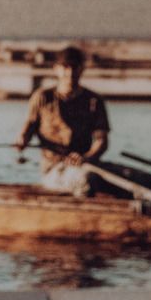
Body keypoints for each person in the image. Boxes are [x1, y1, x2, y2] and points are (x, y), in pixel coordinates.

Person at [17, 45, 111, 195]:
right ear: (56, 69)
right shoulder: (42, 97)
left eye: (75, 67)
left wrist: (86, 158)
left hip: (88, 165)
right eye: (65, 67)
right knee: (85, 179)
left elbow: (101, 140)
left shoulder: (94, 101)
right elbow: (29, 126)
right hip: (54, 168)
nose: (70, 72)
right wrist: (22, 140)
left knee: (140, 179)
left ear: (82, 69)